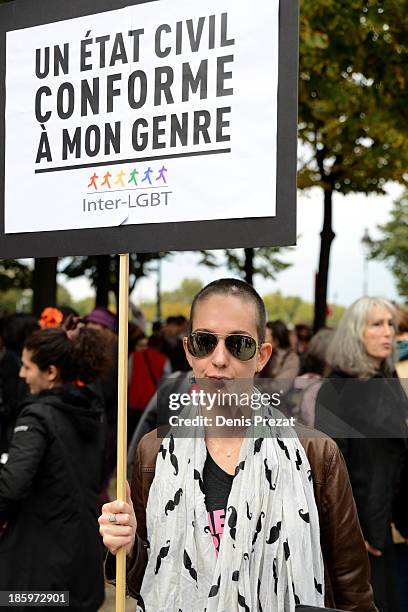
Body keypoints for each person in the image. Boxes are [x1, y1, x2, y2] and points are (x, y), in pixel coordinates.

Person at [100, 279, 376, 611]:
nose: (219, 359)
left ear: (261, 356)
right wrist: (128, 548)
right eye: (205, 342)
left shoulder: (316, 455)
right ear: (189, 350)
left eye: (239, 344)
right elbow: (151, 581)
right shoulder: (153, 452)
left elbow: (353, 591)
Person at [0, 327, 110, 610]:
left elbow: (11, 486)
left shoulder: (37, 417)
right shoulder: (93, 414)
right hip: (83, 561)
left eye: (27, 366)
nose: (21, 374)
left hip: (39, 569)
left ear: (50, 372)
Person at [315, 297, 408, 612]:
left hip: (389, 522)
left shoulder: (387, 378)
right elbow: (331, 469)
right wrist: (353, 530)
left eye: (390, 324)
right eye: (377, 324)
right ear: (356, 332)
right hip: (361, 530)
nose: (387, 332)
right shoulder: (336, 388)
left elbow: (396, 453)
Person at [257, 319, 300, 394]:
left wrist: (256, 389)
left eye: (265, 336)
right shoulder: (259, 352)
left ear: (276, 340)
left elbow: (280, 386)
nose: (261, 339)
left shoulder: (291, 358)